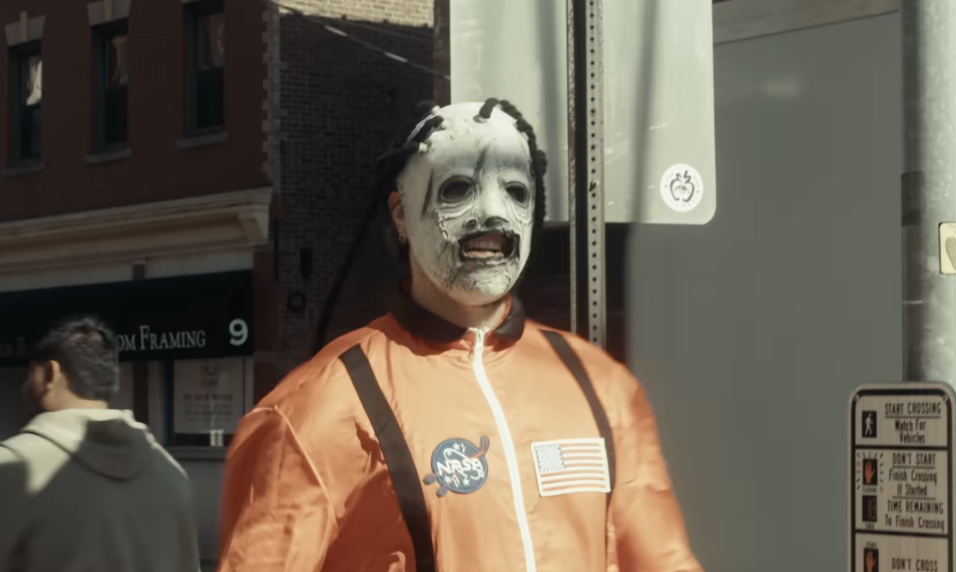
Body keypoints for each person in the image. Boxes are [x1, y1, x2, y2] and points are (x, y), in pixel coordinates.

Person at [217, 99, 705, 572]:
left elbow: (661, 560)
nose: (493, 215)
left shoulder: (601, 386)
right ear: (401, 214)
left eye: (515, 192)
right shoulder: (316, 407)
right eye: (457, 190)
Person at [0, 316, 200, 572]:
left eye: (30, 373)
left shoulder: (12, 468)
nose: (26, 384)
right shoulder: (171, 475)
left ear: (51, 373)